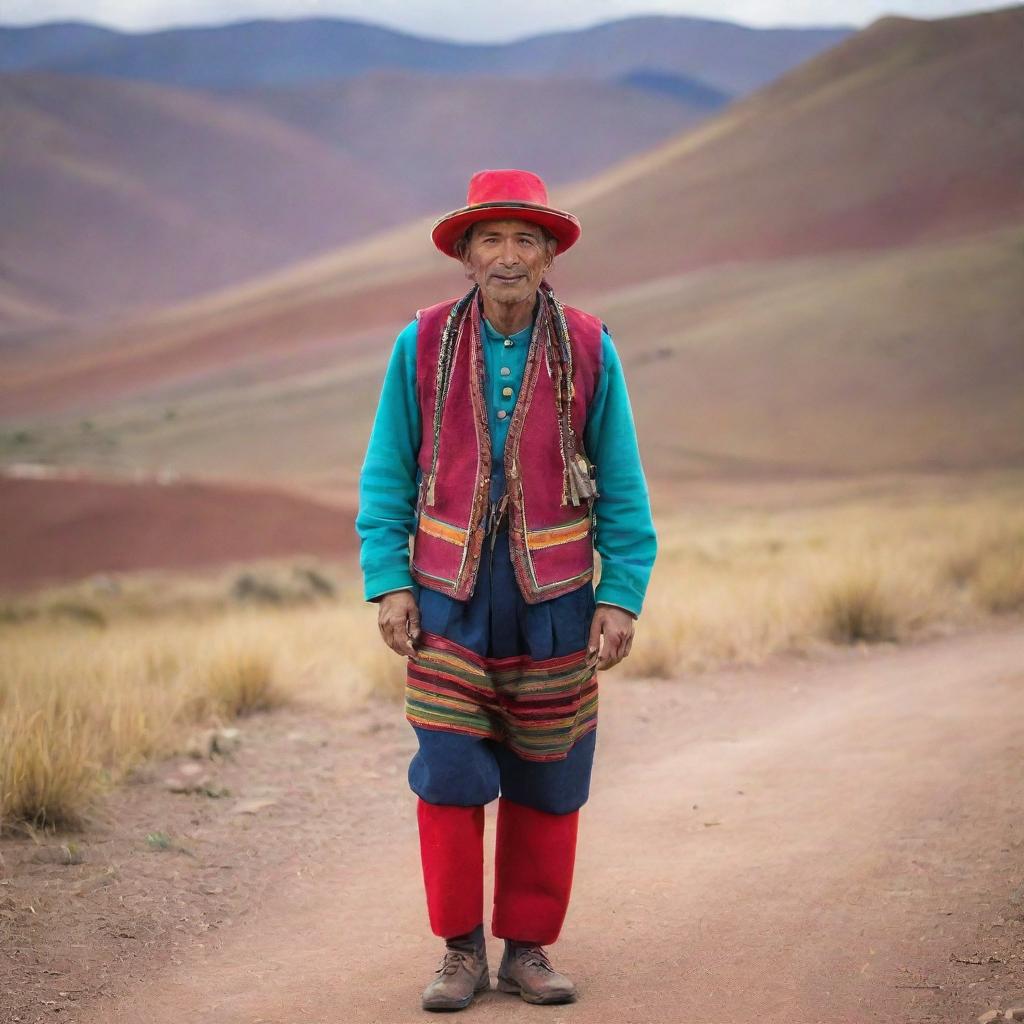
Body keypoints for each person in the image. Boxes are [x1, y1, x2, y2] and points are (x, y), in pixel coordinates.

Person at [355, 168, 657, 1012]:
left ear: (551, 253)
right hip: (446, 593)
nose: (508, 255)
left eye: (526, 238)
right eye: (490, 238)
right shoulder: (418, 345)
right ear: (464, 254)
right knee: (448, 769)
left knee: (549, 770)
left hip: (556, 595)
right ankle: (459, 953)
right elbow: (385, 474)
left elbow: (625, 488)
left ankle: (528, 949)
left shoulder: (592, 346)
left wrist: (620, 592)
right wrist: (389, 582)